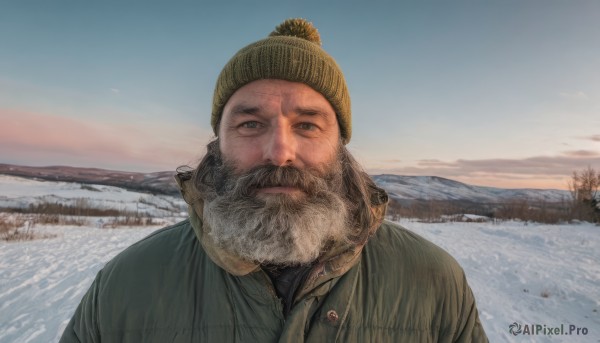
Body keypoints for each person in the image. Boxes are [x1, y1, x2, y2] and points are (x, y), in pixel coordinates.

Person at [60, 18, 488, 342]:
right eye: (250, 124)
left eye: (307, 125)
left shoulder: (432, 279)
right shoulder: (129, 282)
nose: (279, 151)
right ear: (217, 143)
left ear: (340, 146)